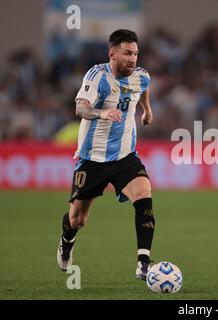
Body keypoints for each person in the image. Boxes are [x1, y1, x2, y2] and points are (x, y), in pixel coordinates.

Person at [57, 29, 155, 280]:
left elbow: (143, 87)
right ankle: (67, 239)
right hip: (92, 160)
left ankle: (143, 262)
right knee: (78, 219)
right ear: (112, 54)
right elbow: (81, 106)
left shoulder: (141, 76)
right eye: (127, 53)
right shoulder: (97, 76)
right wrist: (102, 113)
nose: (132, 58)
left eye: (135, 53)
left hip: (125, 157)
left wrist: (146, 110)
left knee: (144, 193)